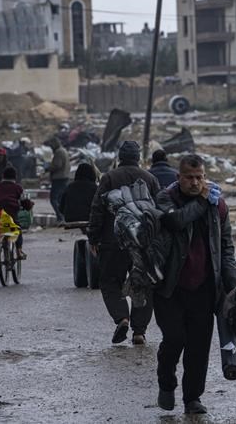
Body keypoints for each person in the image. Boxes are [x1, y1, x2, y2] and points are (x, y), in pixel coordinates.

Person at [153, 154, 236, 415]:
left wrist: (233, 285)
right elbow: (175, 221)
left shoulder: (217, 205)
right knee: (174, 339)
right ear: (179, 177)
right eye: (189, 177)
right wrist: (202, 200)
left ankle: (192, 398)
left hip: (204, 288)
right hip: (170, 287)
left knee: (199, 347)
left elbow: (226, 247)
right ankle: (166, 383)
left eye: (199, 177)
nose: (195, 182)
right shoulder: (166, 198)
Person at [88, 141, 161, 346]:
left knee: (110, 281)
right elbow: (160, 210)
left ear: (120, 157)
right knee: (144, 284)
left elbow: (97, 208)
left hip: (113, 242)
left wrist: (93, 237)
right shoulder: (150, 179)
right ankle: (139, 331)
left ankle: (122, 318)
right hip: (143, 243)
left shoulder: (109, 178)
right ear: (138, 158)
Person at [0, 166, 33, 268]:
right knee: (17, 229)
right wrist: (29, 206)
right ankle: (19, 251)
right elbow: (25, 202)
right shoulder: (17, 188)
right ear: (15, 177)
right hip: (10, 211)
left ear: (3, 176)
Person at [45, 136, 70, 222]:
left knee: (54, 199)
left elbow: (57, 165)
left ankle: (60, 217)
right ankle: (63, 216)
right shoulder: (63, 150)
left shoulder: (59, 152)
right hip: (64, 178)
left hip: (59, 178)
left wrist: (47, 168)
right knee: (60, 199)